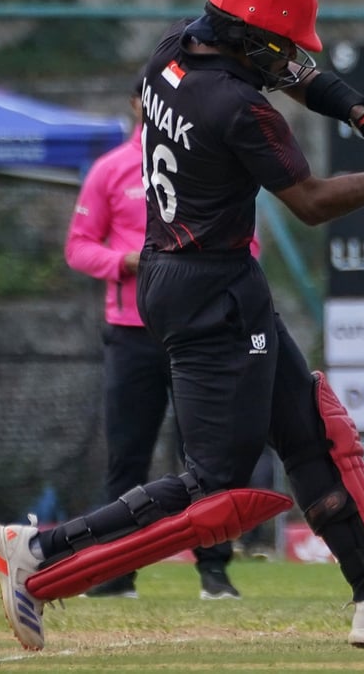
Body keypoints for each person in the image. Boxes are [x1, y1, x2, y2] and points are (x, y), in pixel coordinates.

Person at [0, 0, 364, 652]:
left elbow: (297, 75)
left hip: (189, 275)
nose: (289, 61)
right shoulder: (239, 108)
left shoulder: (173, 52)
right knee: (218, 485)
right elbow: (309, 204)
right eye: (279, 46)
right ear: (246, 38)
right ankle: (40, 552)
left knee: (314, 434)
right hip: (209, 290)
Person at [64, 74, 256, 600]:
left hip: (198, 334)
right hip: (131, 336)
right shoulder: (109, 170)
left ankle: (214, 573)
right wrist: (123, 261)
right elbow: (79, 246)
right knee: (127, 457)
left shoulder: (206, 159)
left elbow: (246, 243)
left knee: (205, 458)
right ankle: (115, 572)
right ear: (135, 103)